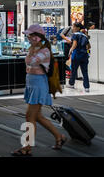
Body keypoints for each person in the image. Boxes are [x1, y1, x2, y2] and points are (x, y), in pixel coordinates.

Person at [12, 24, 67, 156]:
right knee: (37, 116)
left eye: (30, 35)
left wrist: (32, 49)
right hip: (32, 84)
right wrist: (32, 48)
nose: (28, 37)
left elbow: (31, 62)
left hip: (38, 86)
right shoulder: (35, 48)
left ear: (37, 37)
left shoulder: (44, 51)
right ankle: (59, 137)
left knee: (29, 116)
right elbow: (28, 61)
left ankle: (27, 147)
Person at [67, 22, 91, 92]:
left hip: (76, 54)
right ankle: (87, 87)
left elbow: (74, 44)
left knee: (74, 70)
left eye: (73, 27)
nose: (72, 28)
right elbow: (89, 47)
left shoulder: (75, 35)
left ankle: (71, 84)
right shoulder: (85, 36)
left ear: (78, 28)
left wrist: (70, 50)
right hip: (84, 55)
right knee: (85, 71)